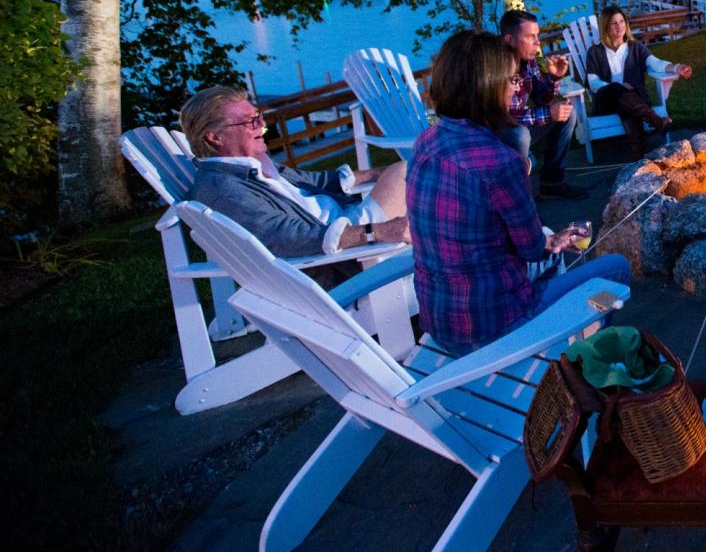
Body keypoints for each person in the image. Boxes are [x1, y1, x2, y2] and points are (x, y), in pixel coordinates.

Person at [406, 30, 631, 354]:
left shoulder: (425, 142)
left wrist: (550, 242)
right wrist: (550, 243)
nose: (516, 88)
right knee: (616, 270)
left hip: (440, 322)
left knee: (552, 258)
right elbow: (531, 250)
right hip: (494, 328)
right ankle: (588, 355)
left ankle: (562, 350)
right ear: (488, 87)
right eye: (511, 81)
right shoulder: (501, 162)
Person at [180, 87, 411, 260]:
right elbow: (285, 238)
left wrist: (380, 173)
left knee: (413, 171)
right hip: (349, 249)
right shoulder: (222, 190)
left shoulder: (257, 166)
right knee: (407, 171)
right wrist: (377, 232)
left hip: (350, 222)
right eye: (250, 122)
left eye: (259, 117)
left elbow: (320, 182)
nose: (262, 127)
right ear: (215, 137)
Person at [583, 5, 694, 159]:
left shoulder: (635, 47)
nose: (619, 26)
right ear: (605, 26)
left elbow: (656, 63)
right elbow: (593, 82)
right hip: (606, 101)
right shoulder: (595, 52)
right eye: (614, 23)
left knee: (627, 105)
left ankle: (639, 157)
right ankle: (656, 120)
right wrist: (618, 87)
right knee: (618, 91)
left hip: (632, 101)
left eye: (622, 21)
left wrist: (676, 67)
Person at [499, 8, 586, 199]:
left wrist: (554, 78)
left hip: (517, 126)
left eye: (537, 36)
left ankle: (552, 183)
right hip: (496, 136)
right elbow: (502, 118)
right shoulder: (497, 66)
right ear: (509, 40)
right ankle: (520, 200)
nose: (537, 43)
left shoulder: (527, 61)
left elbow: (541, 97)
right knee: (520, 135)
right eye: (530, 37)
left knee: (567, 113)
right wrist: (547, 114)